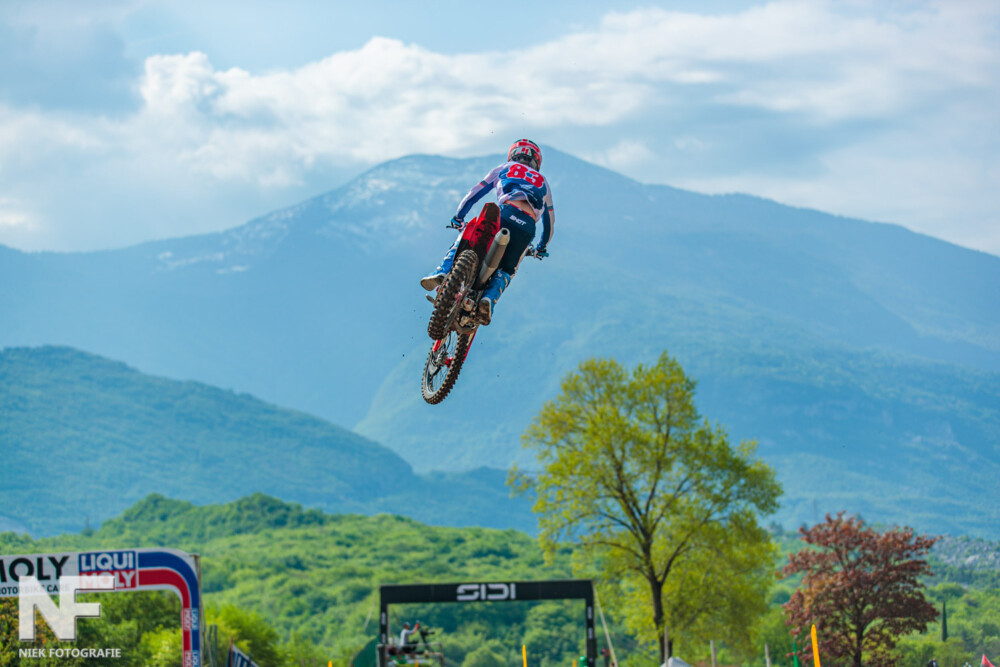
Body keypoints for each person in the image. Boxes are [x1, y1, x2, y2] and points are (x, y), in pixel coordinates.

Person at [420, 139, 554, 325]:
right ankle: (488, 300)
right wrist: (541, 247)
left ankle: (443, 270)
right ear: (537, 162)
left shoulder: (504, 167)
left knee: (468, 233)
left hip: (505, 213)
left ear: (512, 155)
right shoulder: (543, 182)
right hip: (527, 226)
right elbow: (549, 222)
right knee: (508, 270)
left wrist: (459, 216)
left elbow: (475, 193)